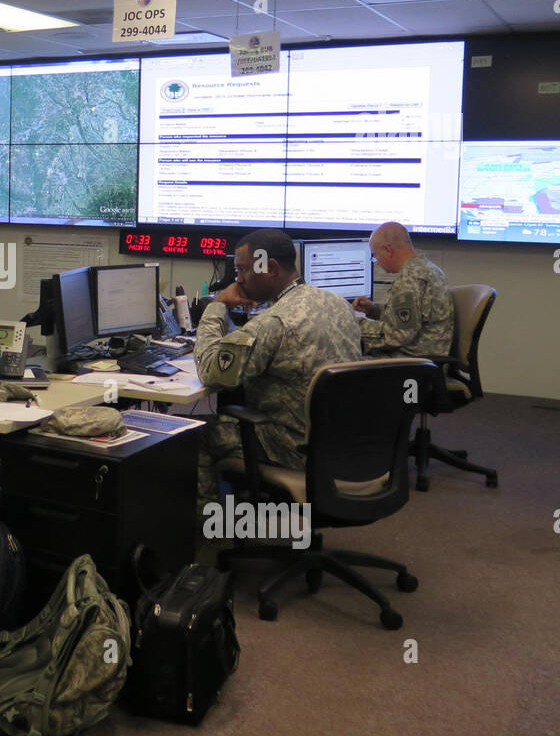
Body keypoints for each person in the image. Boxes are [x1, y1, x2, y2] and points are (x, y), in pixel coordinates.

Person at [192, 229, 362, 560]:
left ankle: (210, 539)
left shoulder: (275, 322)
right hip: (345, 446)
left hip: (293, 447)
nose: (237, 279)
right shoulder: (337, 304)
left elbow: (212, 369)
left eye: (241, 270)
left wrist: (217, 306)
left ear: (269, 268)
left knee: (196, 433)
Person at [354, 221, 454, 359]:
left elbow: (398, 334)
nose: (376, 262)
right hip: (425, 358)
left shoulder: (410, 279)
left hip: (412, 363)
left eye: (375, 255)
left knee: (343, 364)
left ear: (388, 250)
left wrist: (354, 324)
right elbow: (410, 318)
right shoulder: (427, 268)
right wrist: (372, 310)